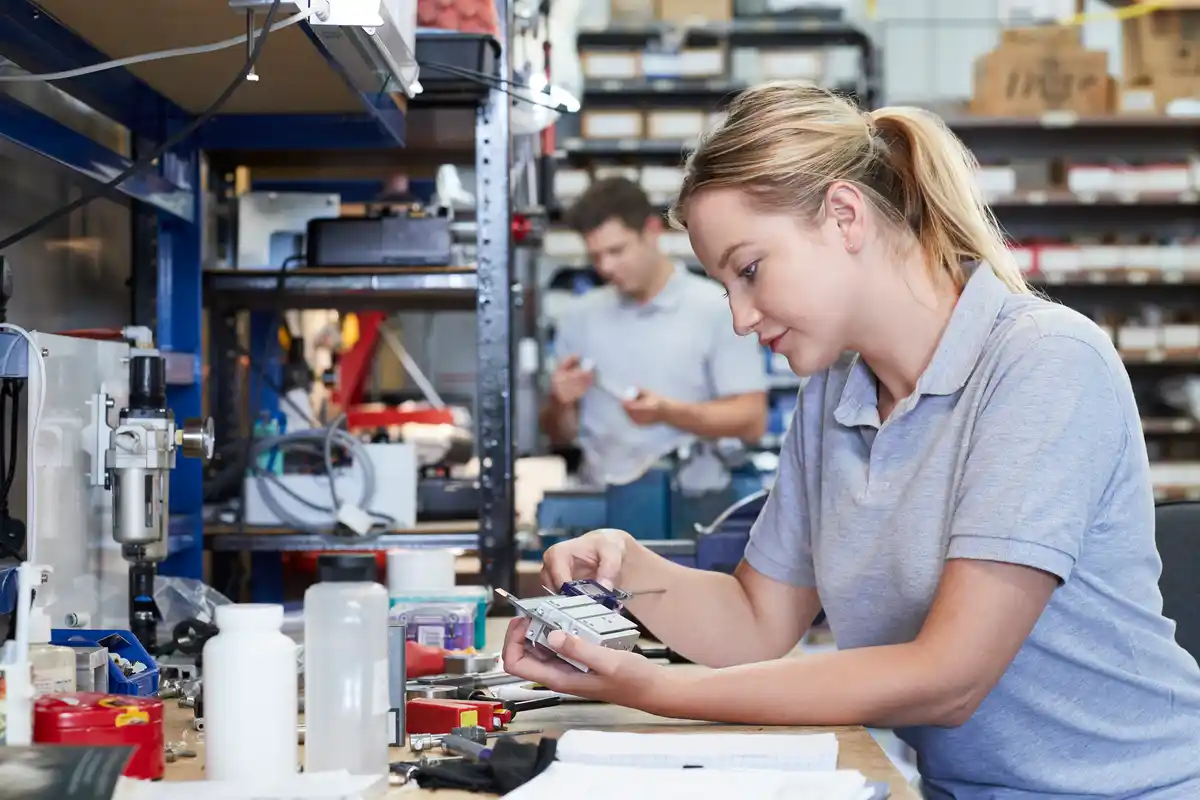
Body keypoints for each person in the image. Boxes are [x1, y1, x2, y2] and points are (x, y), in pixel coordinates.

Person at [505, 81, 1200, 798]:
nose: (742, 317)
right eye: (725, 289)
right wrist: (630, 570)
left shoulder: (1043, 362)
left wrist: (653, 688)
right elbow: (755, 622)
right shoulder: (835, 395)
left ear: (844, 215)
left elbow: (948, 679)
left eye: (750, 270)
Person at [541, 176, 768, 499]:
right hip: (603, 501)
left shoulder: (714, 308)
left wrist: (667, 412)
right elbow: (560, 436)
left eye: (617, 250)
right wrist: (560, 403)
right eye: (595, 256)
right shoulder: (579, 316)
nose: (606, 266)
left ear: (651, 231)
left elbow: (751, 420)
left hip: (692, 502)